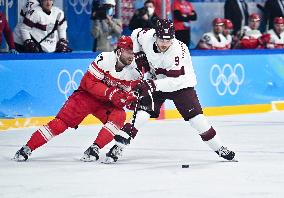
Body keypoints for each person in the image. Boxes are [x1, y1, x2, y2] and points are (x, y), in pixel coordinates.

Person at [104, 19, 236, 163]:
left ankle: (219, 147)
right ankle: (118, 147)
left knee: (197, 120)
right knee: (141, 113)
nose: (165, 44)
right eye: (161, 39)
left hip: (181, 85)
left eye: (168, 40)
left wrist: (151, 85)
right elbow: (135, 34)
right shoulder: (147, 36)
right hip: (155, 80)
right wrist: (140, 56)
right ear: (155, 36)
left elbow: (174, 82)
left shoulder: (178, 52)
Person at [13, 36, 142, 162]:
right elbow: (88, 83)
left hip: (105, 103)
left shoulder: (135, 71)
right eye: (128, 52)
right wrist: (111, 93)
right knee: (60, 123)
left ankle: (94, 149)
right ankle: (27, 148)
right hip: (85, 97)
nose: (131, 56)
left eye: (133, 52)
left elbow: (127, 96)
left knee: (119, 116)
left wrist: (128, 99)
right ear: (119, 51)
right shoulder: (105, 58)